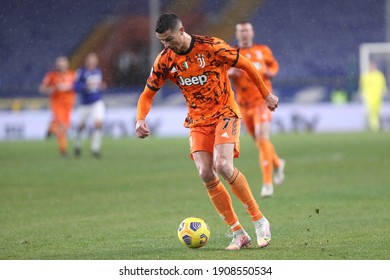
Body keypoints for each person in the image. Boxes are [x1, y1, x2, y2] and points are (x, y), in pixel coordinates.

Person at [135, 14, 279, 250]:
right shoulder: (165, 60)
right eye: (162, 41)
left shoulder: (211, 47)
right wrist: (140, 118)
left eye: (169, 39)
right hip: (197, 120)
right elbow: (147, 93)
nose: (166, 44)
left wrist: (265, 95)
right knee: (205, 172)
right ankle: (238, 232)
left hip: (225, 112)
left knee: (223, 165)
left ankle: (259, 219)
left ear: (181, 30)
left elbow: (246, 65)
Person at [228, 22, 285, 198]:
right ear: (237, 34)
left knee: (262, 137)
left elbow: (273, 65)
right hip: (244, 105)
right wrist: (230, 72)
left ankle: (267, 184)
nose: (244, 34)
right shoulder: (232, 53)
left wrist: (271, 72)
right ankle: (277, 162)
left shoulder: (263, 50)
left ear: (252, 32)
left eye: (247, 30)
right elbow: (224, 70)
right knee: (259, 141)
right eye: (241, 31)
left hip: (262, 101)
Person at [39, 56, 76, 157]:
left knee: (64, 127)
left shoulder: (73, 74)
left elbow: (78, 86)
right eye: (59, 63)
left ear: (67, 64)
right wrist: (50, 89)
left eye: (63, 63)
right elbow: (42, 88)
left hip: (68, 105)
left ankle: (51, 128)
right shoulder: (51, 76)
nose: (61, 65)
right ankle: (63, 150)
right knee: (62, 126)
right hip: (57, 104)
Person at [74, 53, 106, 158]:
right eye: (91, 59)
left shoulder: (98, 71)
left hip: (97, 102)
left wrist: (101, 86)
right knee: (81, 126)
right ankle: (78, 144)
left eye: (94, 59)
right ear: (87, 61)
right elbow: (75, 86)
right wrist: (85, 86)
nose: (93, 61)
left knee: (98, 123)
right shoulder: (81, 72)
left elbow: (98, 85)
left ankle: (95, 148)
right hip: (84, 103)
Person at [360, 61, 387, 132]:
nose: (371, 68)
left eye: (372, 66)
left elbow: (383, 84)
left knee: (377, 111)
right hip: (369, 96)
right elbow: (362, 86)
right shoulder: (365, 76)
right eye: (370, 66)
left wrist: (383, 92)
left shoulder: (379, 75)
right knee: (370, 111)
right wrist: (363, 94)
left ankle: (376, 125)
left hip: (378, 96)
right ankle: (374, 126)